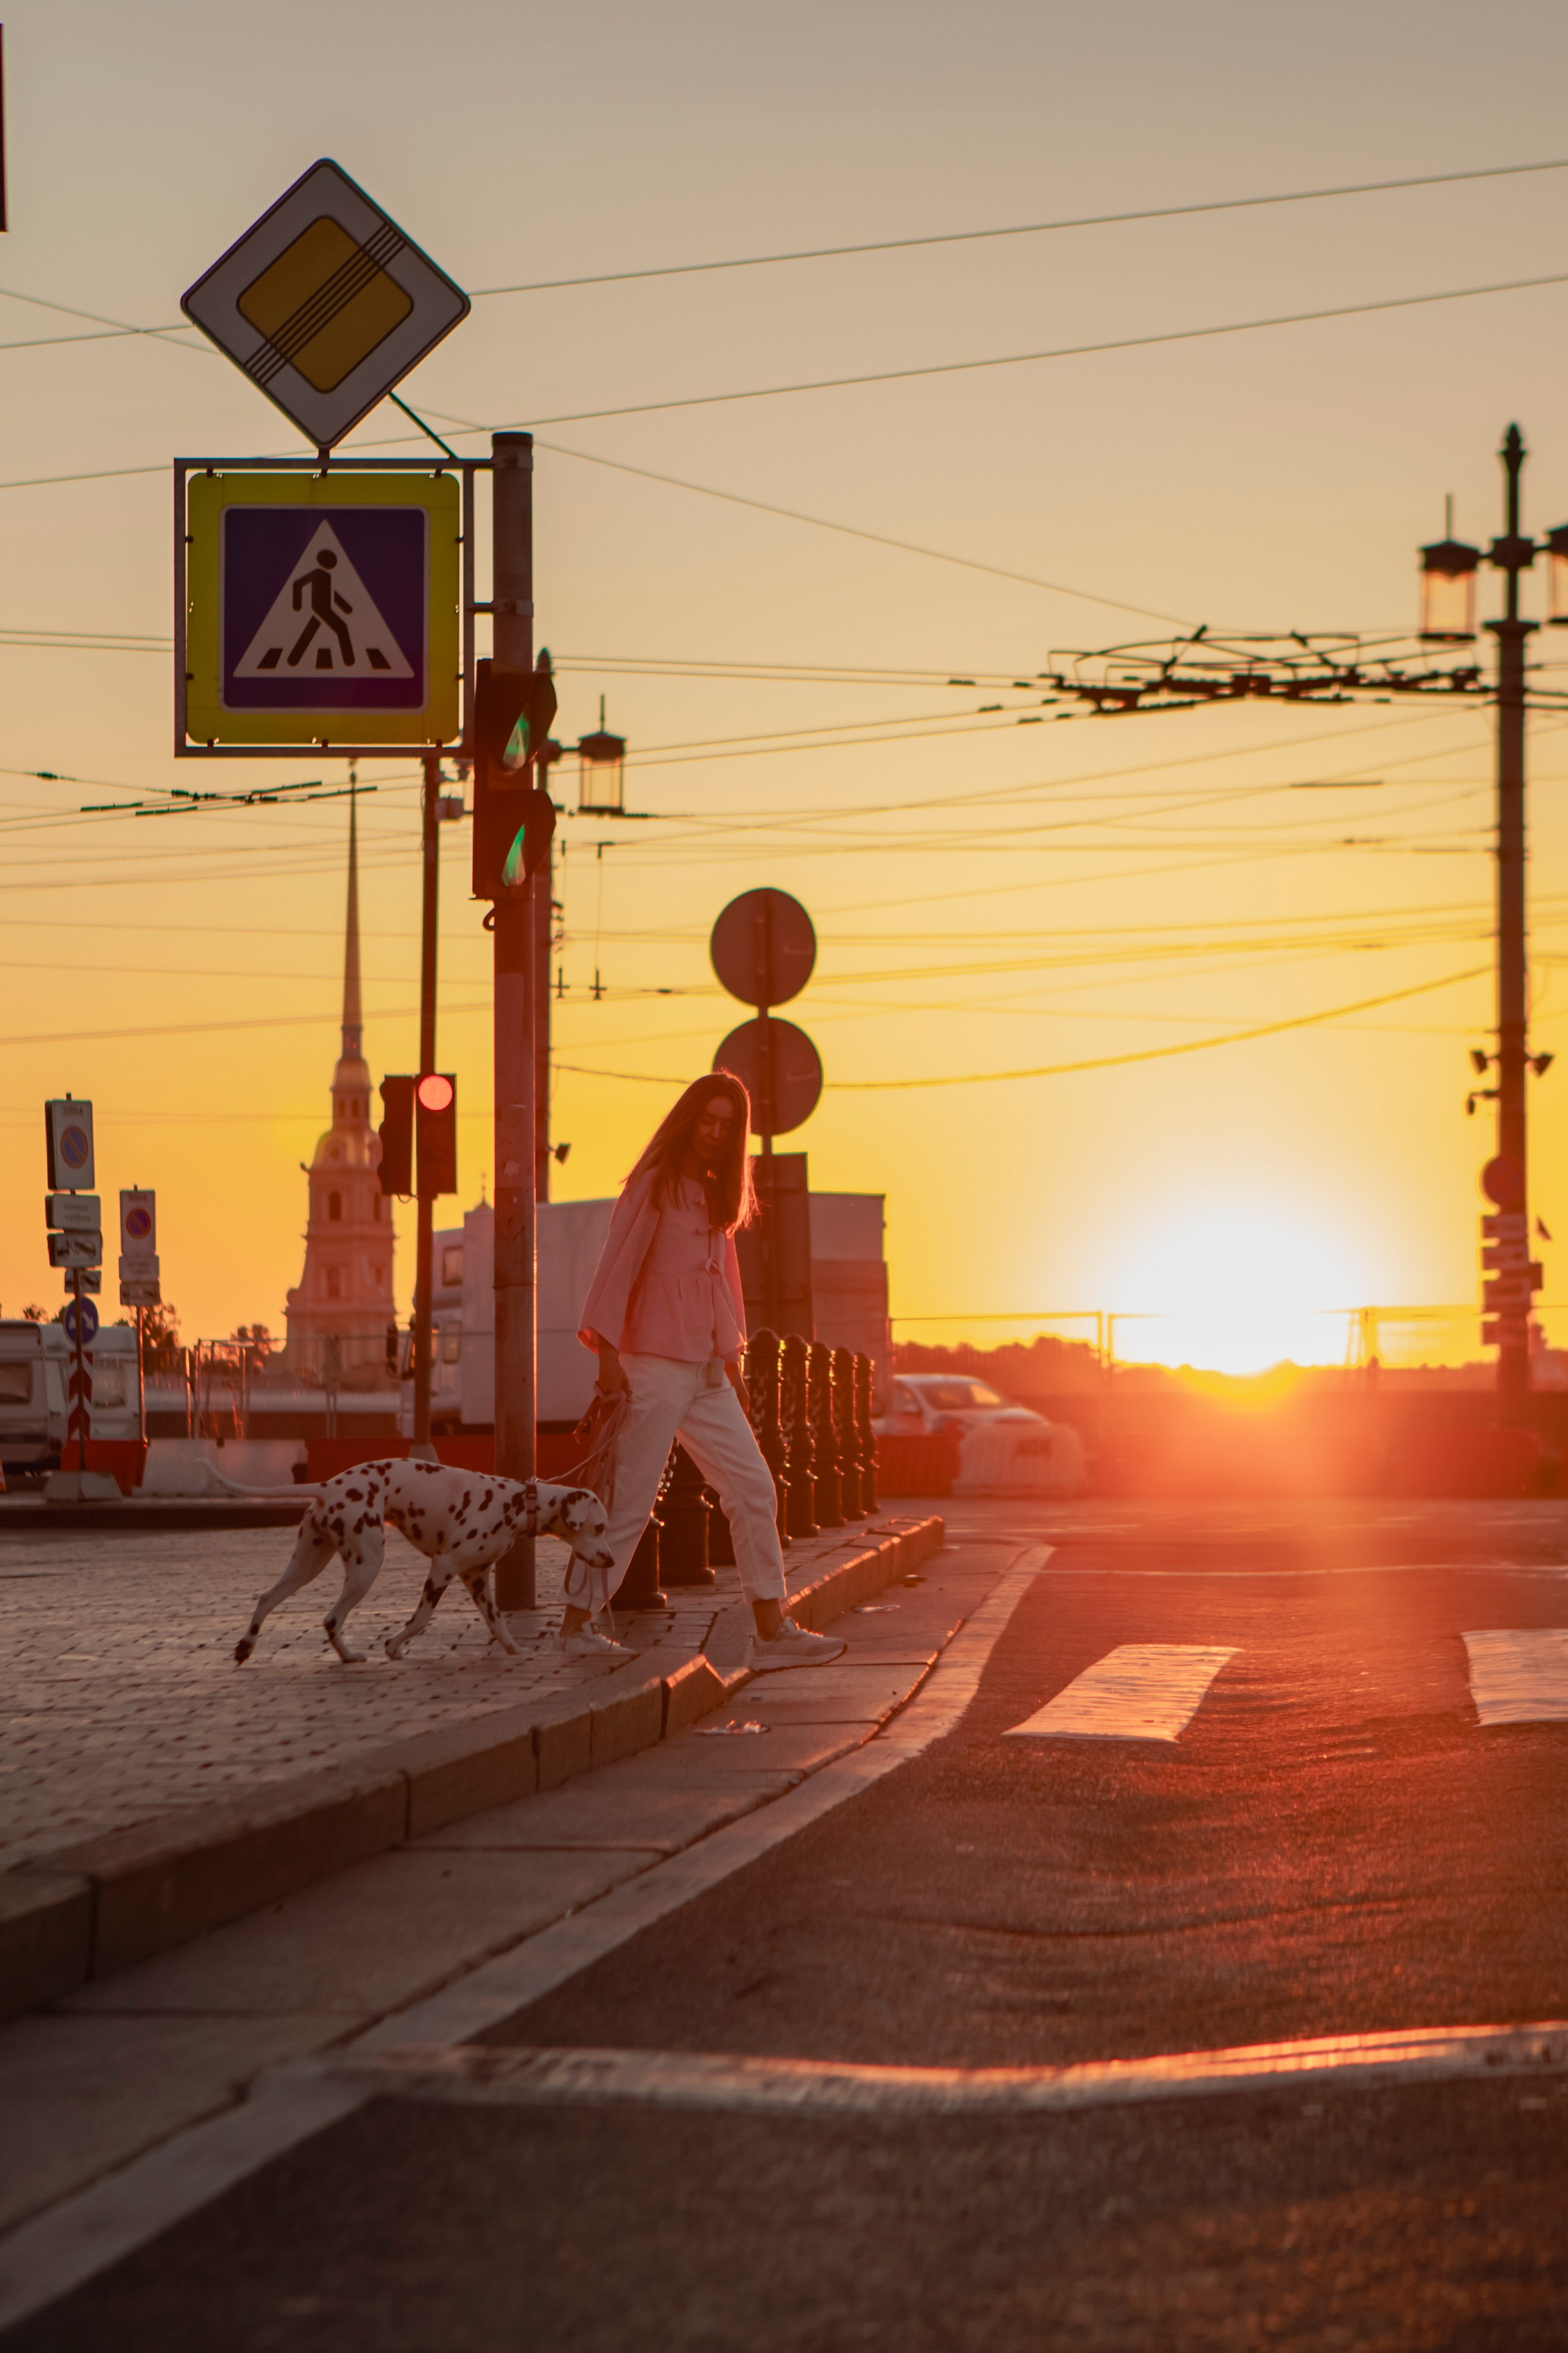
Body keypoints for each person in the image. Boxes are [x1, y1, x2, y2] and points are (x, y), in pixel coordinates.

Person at [564, 1071, 846, 1671]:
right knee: (630, 1500)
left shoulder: (717, 1195)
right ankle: (575, 1622)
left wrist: (730, 1358)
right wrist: (608, 1355)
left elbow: (723, 1284)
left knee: (753, 1487)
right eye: (707, 1120)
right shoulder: (653, 1186)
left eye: (726, 1126)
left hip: (706, 1372)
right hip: (653, 1368)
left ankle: (772, 1630)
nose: (714, 1133)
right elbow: (617, 1268)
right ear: (688, 1118)